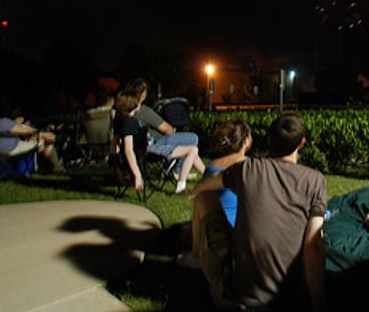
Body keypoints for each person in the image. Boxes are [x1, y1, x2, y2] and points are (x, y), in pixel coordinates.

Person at [187, 112, 328, 311]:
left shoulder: (249, 169)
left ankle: (194, 256)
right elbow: (313, 245)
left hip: (236, 294)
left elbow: (208, 184)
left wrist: (194, 190)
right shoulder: (315, 180)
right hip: (287, 298)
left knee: (205, 197)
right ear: (302, 143)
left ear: (270, 140)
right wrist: (319, 304)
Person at [175, 118, 253, 269]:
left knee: (200, 202)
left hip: (213, 230)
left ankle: (195, 254)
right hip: (244, 233)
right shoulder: (250, 167)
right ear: (245, 141)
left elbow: (198, 192)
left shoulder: (212, 166)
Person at [113, 89, 204, 195]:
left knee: (192, 149)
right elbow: (128, 150)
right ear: (132, 104)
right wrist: (137, 175)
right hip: (150, 150)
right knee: (193, 149)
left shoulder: (119, 119)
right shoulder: (130, 123)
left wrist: (117, 164)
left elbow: (115, 145)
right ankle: (180, 188)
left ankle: (208, 174)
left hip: (148, 148)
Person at [123, 78, 202, 178]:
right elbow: (167, 129)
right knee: (192, 138)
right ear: (142, 94)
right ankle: (177, 171)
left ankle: (206, 174)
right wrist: (173, 130)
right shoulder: (142, 111)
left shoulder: (123, 113)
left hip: (139, 148)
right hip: (154, 145)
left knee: (188, 144)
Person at [0, 98, 65, 174]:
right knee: (45, 142)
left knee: (37, 140)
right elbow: (26, 131)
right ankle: (57, 168)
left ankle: (52, 167)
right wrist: (44, 134)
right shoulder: (1, 122)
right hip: (9, 151)